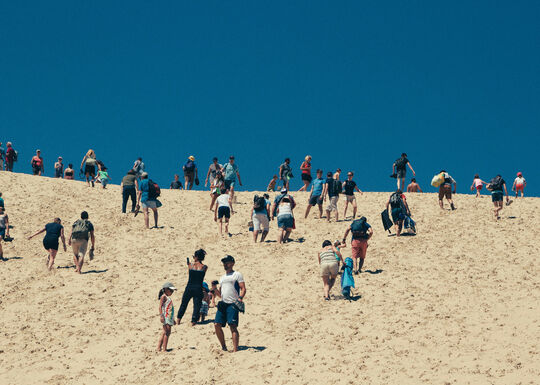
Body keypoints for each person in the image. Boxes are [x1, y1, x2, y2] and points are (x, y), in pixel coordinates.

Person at [213, 255, 246, 352]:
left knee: (232, 326)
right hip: (223, 303)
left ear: (232, 263)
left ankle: (235, 349)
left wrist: (240, 298)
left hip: (233, 303)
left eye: (227, 262)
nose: (225, 265)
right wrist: (214, 288)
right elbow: (220, 294)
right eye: (224, 263)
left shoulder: (237, 274)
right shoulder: (222, 277)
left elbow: (243, 288)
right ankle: (223, 347)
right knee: (216, 324)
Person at [176, 249, 208, 326]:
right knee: (196, 305)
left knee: (184, 304)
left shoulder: (191, 265)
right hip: (198, 288)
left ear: (196, 257)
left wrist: (189, 263)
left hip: (189, 287)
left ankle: (178, 320)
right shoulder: (204, 267)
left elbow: (190, 271)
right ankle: (193, 321)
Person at [157, 282, 177, 352]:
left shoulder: (168, 298)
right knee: (167, 333)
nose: (172, 292)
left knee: (164, 332)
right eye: (171, 290)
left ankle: (159, 348)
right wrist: (161, 316)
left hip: (169, 317)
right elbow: (160, 307)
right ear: (166, 289)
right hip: (166, 317)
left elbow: (170, 309)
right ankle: (164, 348)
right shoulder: (164, 297)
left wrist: (173, 319)